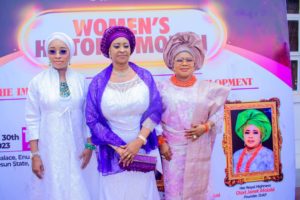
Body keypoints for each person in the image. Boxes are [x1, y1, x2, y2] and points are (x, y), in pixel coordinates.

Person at [85, 26, 162, 200]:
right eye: (116, 46)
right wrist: (120, 149)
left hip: (142, 148)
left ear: (131, 49)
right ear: (108, 51)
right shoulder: (97, 83)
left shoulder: (144, 76)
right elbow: (92, 120)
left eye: (125, 46)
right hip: (112, 153)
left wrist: (139, 141)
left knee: (143, 192)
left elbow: (155, 109)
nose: (122, 50)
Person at [157, 32, 230, 200]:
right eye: (179, 60)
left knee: (199, 191)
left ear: (195, 62)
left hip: (199, 149)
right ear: (171, 63)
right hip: (172, 152)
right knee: (175, 192)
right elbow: (154, 118)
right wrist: (161, 143)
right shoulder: (161, 89)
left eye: (188, 60)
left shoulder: (207, 89)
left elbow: (220, 112)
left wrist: (206, 127)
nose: (184, 63)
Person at [25, 32, 94, 200]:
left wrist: (90, 146)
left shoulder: (80, 80)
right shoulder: (37, 82)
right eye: (52, 51)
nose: (57, 56)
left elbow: (89, 116)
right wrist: (35, 155)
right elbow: (32, 119)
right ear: (47, 54)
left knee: (80, 188)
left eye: (62, 51)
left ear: (70, 53)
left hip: (78, 147)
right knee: (52, 189)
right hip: (50, 149)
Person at [233, 109, 274, 173]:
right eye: (247, 132)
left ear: (261, 136)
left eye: (255, 132)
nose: (250, 136)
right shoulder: (236, 155)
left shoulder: (269, 155)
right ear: (243, 135)